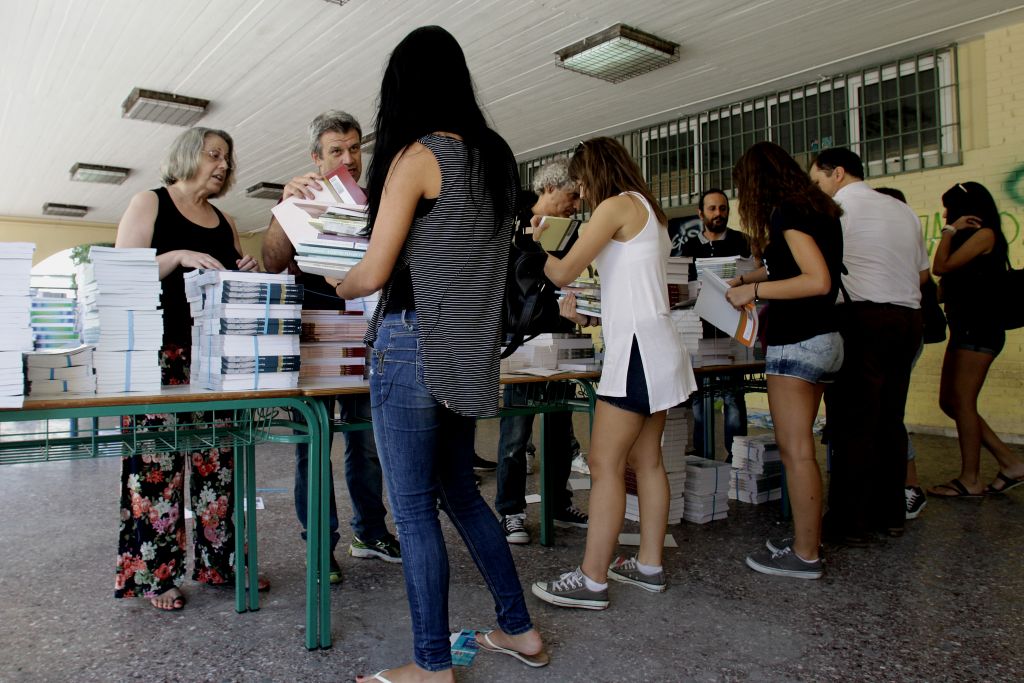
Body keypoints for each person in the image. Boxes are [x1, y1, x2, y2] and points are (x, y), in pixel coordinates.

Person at [335, 26, 547, 682]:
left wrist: (325, 286)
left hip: (409, 346)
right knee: (461, 493)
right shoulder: (498, 160)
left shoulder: (417, 157)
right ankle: (520, 628)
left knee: (416, 507)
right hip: (468, 352)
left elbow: (372, 274)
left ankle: (431, 666)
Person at [532, 137, 696, 610]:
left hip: (638, 353)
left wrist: (539, 237)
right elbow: (630, 284)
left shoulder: (615, 206)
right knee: (647, 461)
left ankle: (592, 578)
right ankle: (648, 566)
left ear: (595, 173)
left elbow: (562, 273)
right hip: (657, 346)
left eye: (581, 184)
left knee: (604, 465)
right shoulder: (650, 209)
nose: (580, 195)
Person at [113, 127, 264, 610]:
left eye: (227, 157)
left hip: (213, 360)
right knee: (156, 471)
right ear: (186, 156)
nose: (222, 164)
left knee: (218, 467)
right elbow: (119, 275)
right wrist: (176, 256)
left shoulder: (225, 220)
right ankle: (157, 576)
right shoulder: (149, 203)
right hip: (157, 359)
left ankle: (219, 565)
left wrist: (247, 276)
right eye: (213, 154)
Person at [262, 111, 401, 583]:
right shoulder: (302, 198)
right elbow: (273, 259)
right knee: (313, 445)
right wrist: (285, 205)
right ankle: (319, 547)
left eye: (354, 148)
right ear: (316, 157)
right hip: (316, 339)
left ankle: (371, 532)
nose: (348, 159)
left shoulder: (375, 200)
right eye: (336, 151)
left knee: (365, 441)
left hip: (366, 332)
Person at [727, 141, 844, 579]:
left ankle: (806, 555)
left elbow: (816, 280)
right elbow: (790, 267)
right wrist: (748, 276)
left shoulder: (785, 213)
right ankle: (804, 539)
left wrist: (752, 292)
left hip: (798, 341)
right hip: (826, 340)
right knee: (803, 452)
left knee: (797, 453)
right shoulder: (819, 209)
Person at [809, 148, 927, 541]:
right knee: (890, 420)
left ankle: (850, 522)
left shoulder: (836, 210)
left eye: (818, 180)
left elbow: (818, 271)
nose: (817, 189)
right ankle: (890, 514)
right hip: (909, 319)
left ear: (837, 173)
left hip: (863, 319)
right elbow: (923, 273)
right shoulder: (901, 209)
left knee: (852, 423)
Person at [495, 158, 589, 545]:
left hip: (562, 336)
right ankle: (511, 511)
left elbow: (577, 276)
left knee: (561, 427)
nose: (576, 205)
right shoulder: (510, 222)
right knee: (516, 432)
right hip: (521, 340)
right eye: (572, 196)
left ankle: (558, 502)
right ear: (549, 188)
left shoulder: (575, 232)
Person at [927, 181, 1024, 497]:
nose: (944, 215)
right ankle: (1010, 463)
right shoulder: (971, 242)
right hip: (965, 328)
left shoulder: (985, 235)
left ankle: (970, 479)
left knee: (963, 402)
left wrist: (949, 232)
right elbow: (946, 284)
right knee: (950, 402)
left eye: (949, 208)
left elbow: (941, 266)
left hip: (980, 329)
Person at [678, 188, 751, 461]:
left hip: (733, 331)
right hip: (699, 331)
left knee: (733, 396)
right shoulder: (689, 248)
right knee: (699, 398)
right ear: (701, 213)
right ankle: (703, 455)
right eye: (712, 209)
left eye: (722, 208)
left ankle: (737, 457)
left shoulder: (743, 243)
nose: (718, 214)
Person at [874, 186, 931, 520]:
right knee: (884, 410)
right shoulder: (903, 232)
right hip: (902, 327)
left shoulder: (902, 234)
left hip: (898, 329)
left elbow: (924, 276)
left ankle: (910, 486)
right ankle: (894, 484)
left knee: (887, 410)